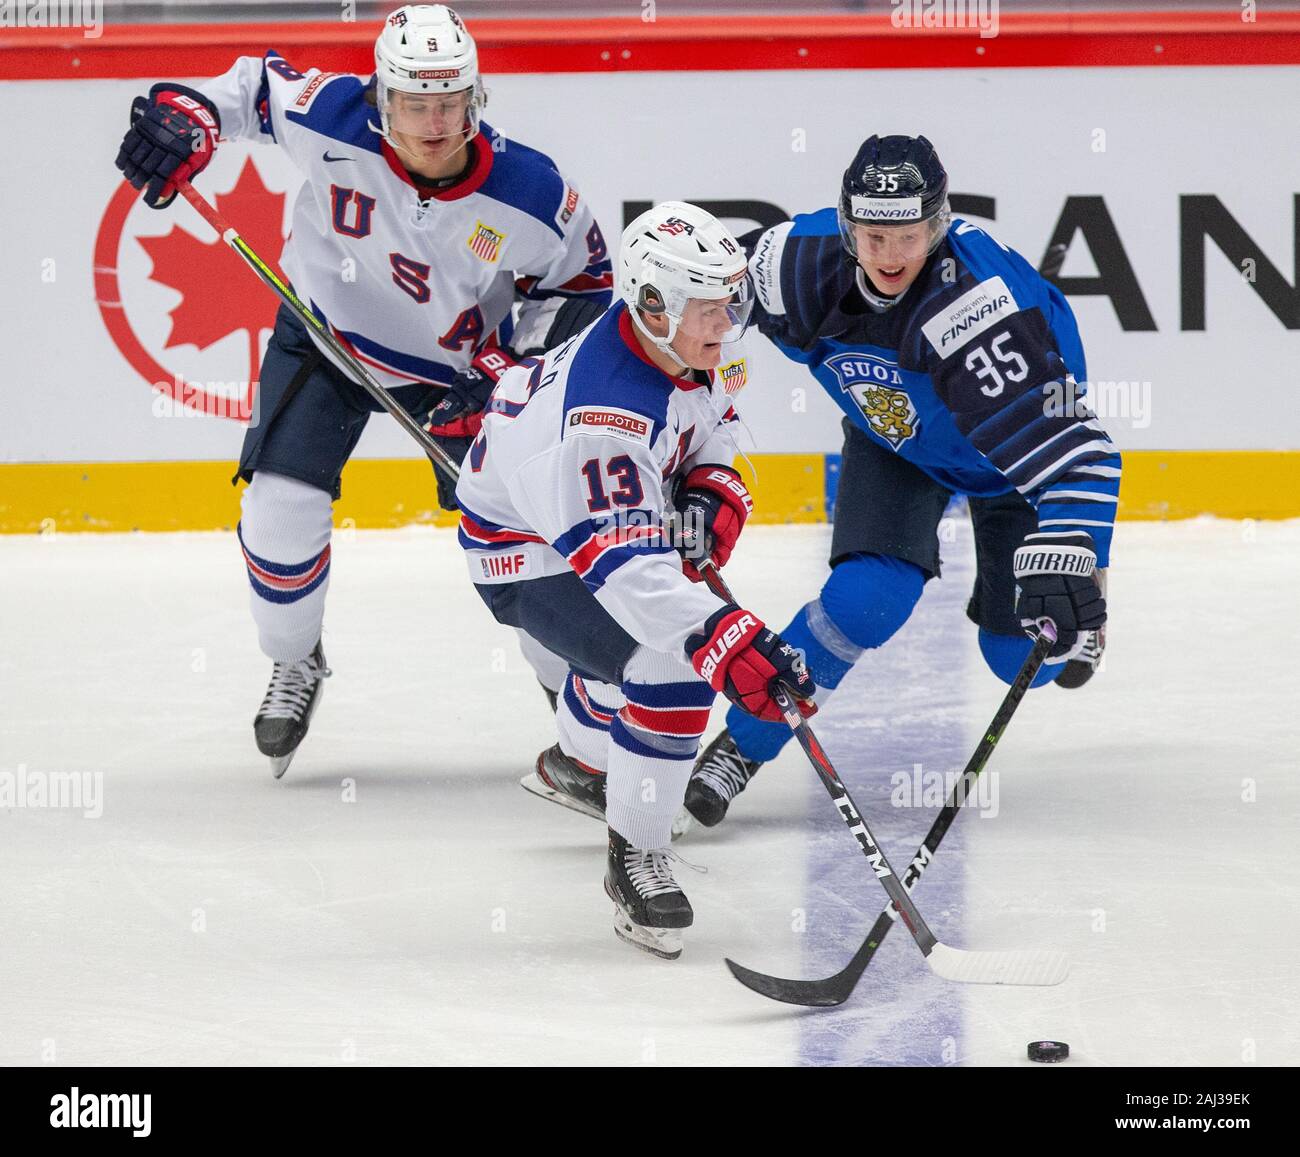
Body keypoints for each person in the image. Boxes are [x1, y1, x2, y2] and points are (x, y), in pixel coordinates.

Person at [114, 4, 612, 776]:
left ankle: (582, 711)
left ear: (476, 99)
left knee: (525, 551)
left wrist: (512, 378)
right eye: (416, 101)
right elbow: (247, 89)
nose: (435, 121)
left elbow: (583, 282)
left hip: (457, 379)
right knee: (278, 512)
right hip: (324, 341)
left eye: (451, 101)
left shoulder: (532, 193)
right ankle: (295, 658)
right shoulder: (335, 116)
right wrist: (192, 119)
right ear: (383, 98)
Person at [683, 135, 1118, 829]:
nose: (889, 256)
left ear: (939, 226)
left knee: (1019, 655)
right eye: (873, 235)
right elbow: (682, 314)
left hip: (1008, 456)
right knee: (864, 600)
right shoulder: (790, 265)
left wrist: (1075, 552)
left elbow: (1084, 457)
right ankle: (744, 741)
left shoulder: (980, 314)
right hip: (900, 440)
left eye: (908, 237)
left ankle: (1077, 625)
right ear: (847, 223)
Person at [453, 202, 816, 959]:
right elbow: (629, 571)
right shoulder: (603, 418)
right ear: (653, 302)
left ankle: (579, 756)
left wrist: (712, 495)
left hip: (587, 513)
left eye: (730, 303)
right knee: (674, 663)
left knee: (656, 658)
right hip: (529, 550)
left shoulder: (678, 343)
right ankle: (635, 858)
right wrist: (722, 639)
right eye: (707, 308)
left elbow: (712, 424)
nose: (725, 324)